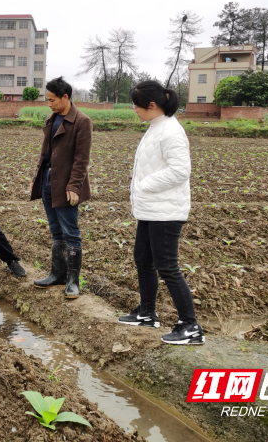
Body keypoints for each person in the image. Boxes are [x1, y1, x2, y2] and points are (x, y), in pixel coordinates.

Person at [118, 81, 204, 345]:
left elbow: (180, 171)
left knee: (167, 266)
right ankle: (147, 313)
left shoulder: (171, 131)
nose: (134, 109)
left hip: (166, 211)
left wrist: (144, 185)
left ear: (152, 105)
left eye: (136, 105)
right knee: (143, 259)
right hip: (151, 208)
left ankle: (190, 326)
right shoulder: (156, 127)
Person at [31, 77, 92, 300]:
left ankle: (73, 282)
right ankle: (57, 274)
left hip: (66, 185)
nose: (49, 104)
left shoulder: (82, 121)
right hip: (48, 179)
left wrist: (74, 186)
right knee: (55, 230)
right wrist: (36, 177)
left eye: (52, 100)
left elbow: (81, 159)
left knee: (70, 233)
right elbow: (45, 153)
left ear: (65, 97)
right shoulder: (51, 118)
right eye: (47, 100)